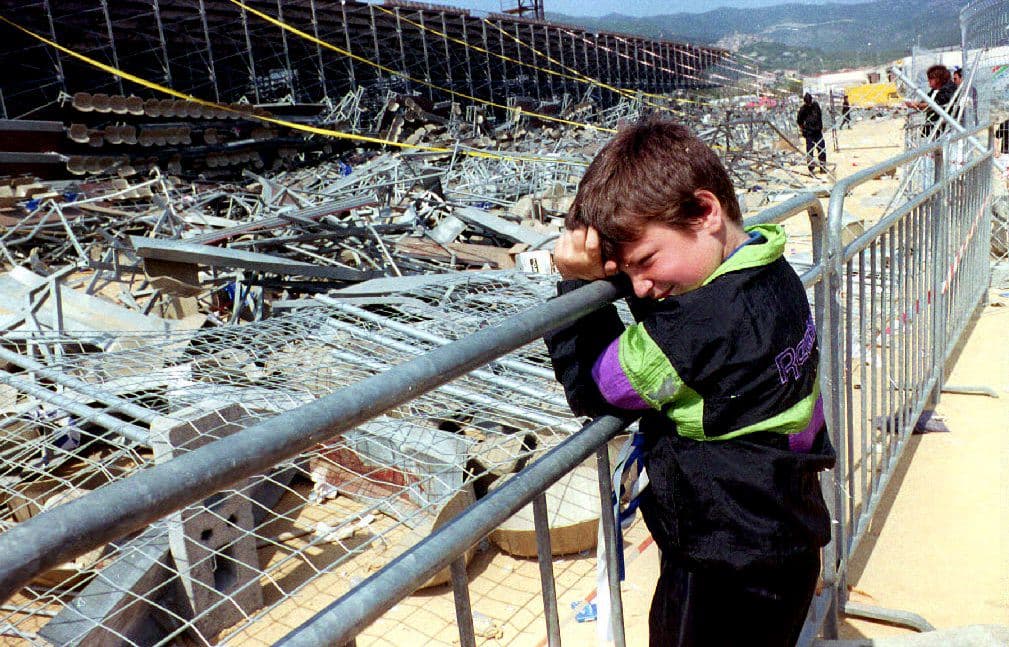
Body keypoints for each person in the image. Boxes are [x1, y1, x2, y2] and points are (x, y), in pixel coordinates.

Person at [544, 118, 836, 647]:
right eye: (624, 277)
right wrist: (641, 269)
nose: (641, 288)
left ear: (706, 211)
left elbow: (593, 385)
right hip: (787, 538)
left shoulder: (699, 328)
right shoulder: (769, 268)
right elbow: (679, 316)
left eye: (646, 262)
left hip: (722, 567)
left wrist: (575, 287)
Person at [905, 64, 956, 139]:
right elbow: (925, 102)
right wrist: (915, 105)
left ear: (937, 79)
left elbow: (934, 104)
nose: (929, 83)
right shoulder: (935, 90)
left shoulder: (949, 89)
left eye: (930, 79)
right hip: (933, 127)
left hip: (944, 127)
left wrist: (918, 105)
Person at [797, 93, 828, 173]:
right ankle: (811, 168)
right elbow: (799, 121)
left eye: (810, 102)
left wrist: (820, 126)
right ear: (805, 102)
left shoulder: (816, 106)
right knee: (810, 151)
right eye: (807, 103)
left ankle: (823, 167)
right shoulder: (803, 109)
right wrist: (803, 130)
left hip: (818, 132)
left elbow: (819, 116)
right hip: (809, 133)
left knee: (821, 149)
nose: (809, 104)